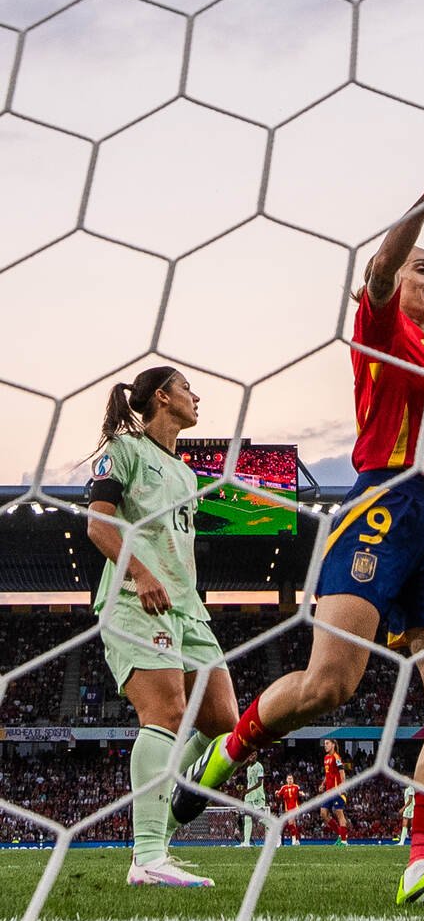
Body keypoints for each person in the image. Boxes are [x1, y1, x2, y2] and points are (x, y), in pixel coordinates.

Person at [173, 161, 424, 907]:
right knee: (330, 686)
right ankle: (231, 747)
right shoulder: (379, 329)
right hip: (383, 508)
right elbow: (381, 266)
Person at [84, 365, 236, 889]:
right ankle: (147, 856)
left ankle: (163, 821)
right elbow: (99, 522)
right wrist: (142, 572)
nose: (197, 397)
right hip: (135, 598)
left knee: (222, 720)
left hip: (186, 608)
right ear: (164, 398)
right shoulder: (124, 450)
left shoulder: (188, 473)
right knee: (167, 711)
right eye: (189, 388)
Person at [319, 739, 350, 844]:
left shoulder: (337, 757)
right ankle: (341, 835)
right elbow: (328, 774)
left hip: (336, 791)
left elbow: (342, 773)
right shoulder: (326, 758)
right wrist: (323, 784)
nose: (325, 746)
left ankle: (344, 841)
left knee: (339, 814)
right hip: (328, 791)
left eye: (327, 743)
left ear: (333, 745)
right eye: (324, 744)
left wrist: (342, 787)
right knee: (323, 813)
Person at [238, 759, 266, 847]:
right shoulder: (248, 768)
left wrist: (248, 790)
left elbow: (259, 783)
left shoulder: (259, 766)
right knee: (247, 818)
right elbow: (250, 783)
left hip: (257, 795)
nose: (253, 757)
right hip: (249, 797)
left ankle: (276, 835)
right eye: (251, 754)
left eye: (254, 754)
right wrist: (246, 793)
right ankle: (246, 842)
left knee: (261, 819)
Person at [278, 774, 303, 845]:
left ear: (293, 779)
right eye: (288, 779)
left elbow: (300, 792)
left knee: (290, 822)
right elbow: (278, 794)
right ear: (286, 780)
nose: (290, 780)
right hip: (287, 809)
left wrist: (302, 794)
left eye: (291, 779)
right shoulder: (283, 788)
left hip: (295, 808)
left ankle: (294, 840)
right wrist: (276, 793)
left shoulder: (296, 787)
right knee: (293, 824)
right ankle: (297, 840)